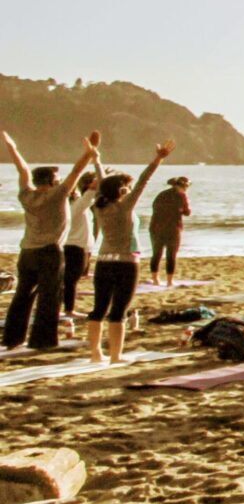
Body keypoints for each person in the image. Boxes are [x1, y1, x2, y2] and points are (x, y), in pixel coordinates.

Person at [2, 132, 97, 352]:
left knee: (22, 295)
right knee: (49, 296)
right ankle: (42, 341)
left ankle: (12, 339)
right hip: (49, 251)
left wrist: (12, 148)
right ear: (52, 181)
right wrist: (89, 154)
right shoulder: (58, 194)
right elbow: (76, 171)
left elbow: (23, 170)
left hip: (27, 251)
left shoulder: (26, 195)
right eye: (57, 176)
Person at [84, 139, 171, 363]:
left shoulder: (99, 205)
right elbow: (144, 180)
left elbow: (103, 183)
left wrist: (97, 160)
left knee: (98, 308)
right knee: (119, 311)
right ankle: (115, 355)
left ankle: (95, 353)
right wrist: (158, 160)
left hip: (103, 261)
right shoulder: (124, 206)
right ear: (122, 190)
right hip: (126, 263)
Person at [62, 167, 98, 323]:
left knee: (69, 280)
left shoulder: (74, 205)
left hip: (77, 245)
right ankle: (69, 310)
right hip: (74, 246)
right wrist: (100, 171)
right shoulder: (76, 205)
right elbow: (90, 193)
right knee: (70, 280)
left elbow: (90, 194)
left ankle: (65, 308)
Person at [148, 175, 190, 285]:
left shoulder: (161, 194)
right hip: (173, 228)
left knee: (156, 254)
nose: (186, 189)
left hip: (156, 227)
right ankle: (169, 281)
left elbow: (155, 208)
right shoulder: (182, 196)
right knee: (171, 255)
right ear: (182, 186)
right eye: (186, 187)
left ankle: (155, 279)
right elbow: (187, 212)